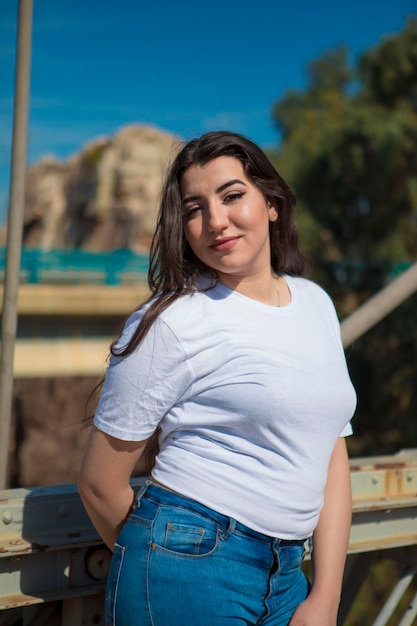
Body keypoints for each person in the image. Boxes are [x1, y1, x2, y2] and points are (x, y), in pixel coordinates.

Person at [78, 131, 356, 626]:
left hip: (291, 576)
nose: (215, 221)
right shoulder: (172, 323)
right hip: (187, 570)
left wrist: (327, 593)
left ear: (271, 203)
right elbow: (100, 485)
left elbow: (329, 448)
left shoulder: (316, 304)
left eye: (232, 196)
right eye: (194, 208)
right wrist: (164, 557)